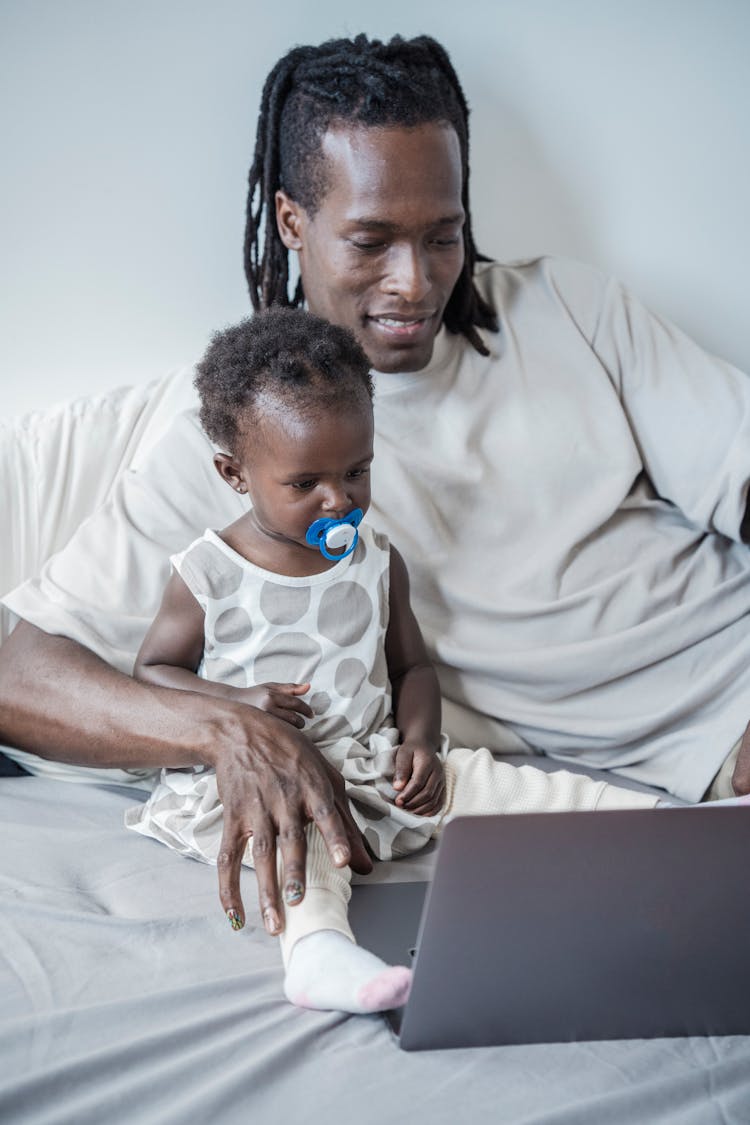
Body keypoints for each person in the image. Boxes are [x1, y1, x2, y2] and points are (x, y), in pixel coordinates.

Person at [2, 33, 750, 936]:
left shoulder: (570, 309)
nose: (418, 281)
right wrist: (226, 731)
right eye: (371, 241)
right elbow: (18, 674)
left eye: (444, 235)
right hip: (713, 756)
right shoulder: (239, 440)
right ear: (291, 223)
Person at [126, 305, 664, 1014]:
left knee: (503, 782)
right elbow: (152, 674)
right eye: (304, 483)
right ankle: (317, 953)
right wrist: (237, 704)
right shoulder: (208, 572)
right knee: (305, 841)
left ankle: (676, 824)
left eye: (358, 471)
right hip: (270, 783)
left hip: (369, 757)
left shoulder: (377, 559)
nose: (339, 499)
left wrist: (420, 744)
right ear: (235, 472)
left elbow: (413, 669)